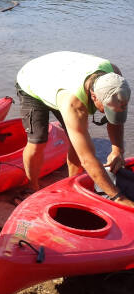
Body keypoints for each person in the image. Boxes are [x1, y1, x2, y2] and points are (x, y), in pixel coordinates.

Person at [16, 51, 134, 207]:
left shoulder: (115, 78)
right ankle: (32, 186)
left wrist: (117, 150)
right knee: (38, 141)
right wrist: (118, 198)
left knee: (76, 142)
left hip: (63, 73)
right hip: (33, 79)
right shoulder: (73, 105)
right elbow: (87, 159)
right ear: (94, 97)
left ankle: (72, 187)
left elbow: (115, 120)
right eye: (106, 109)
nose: (107, 113)